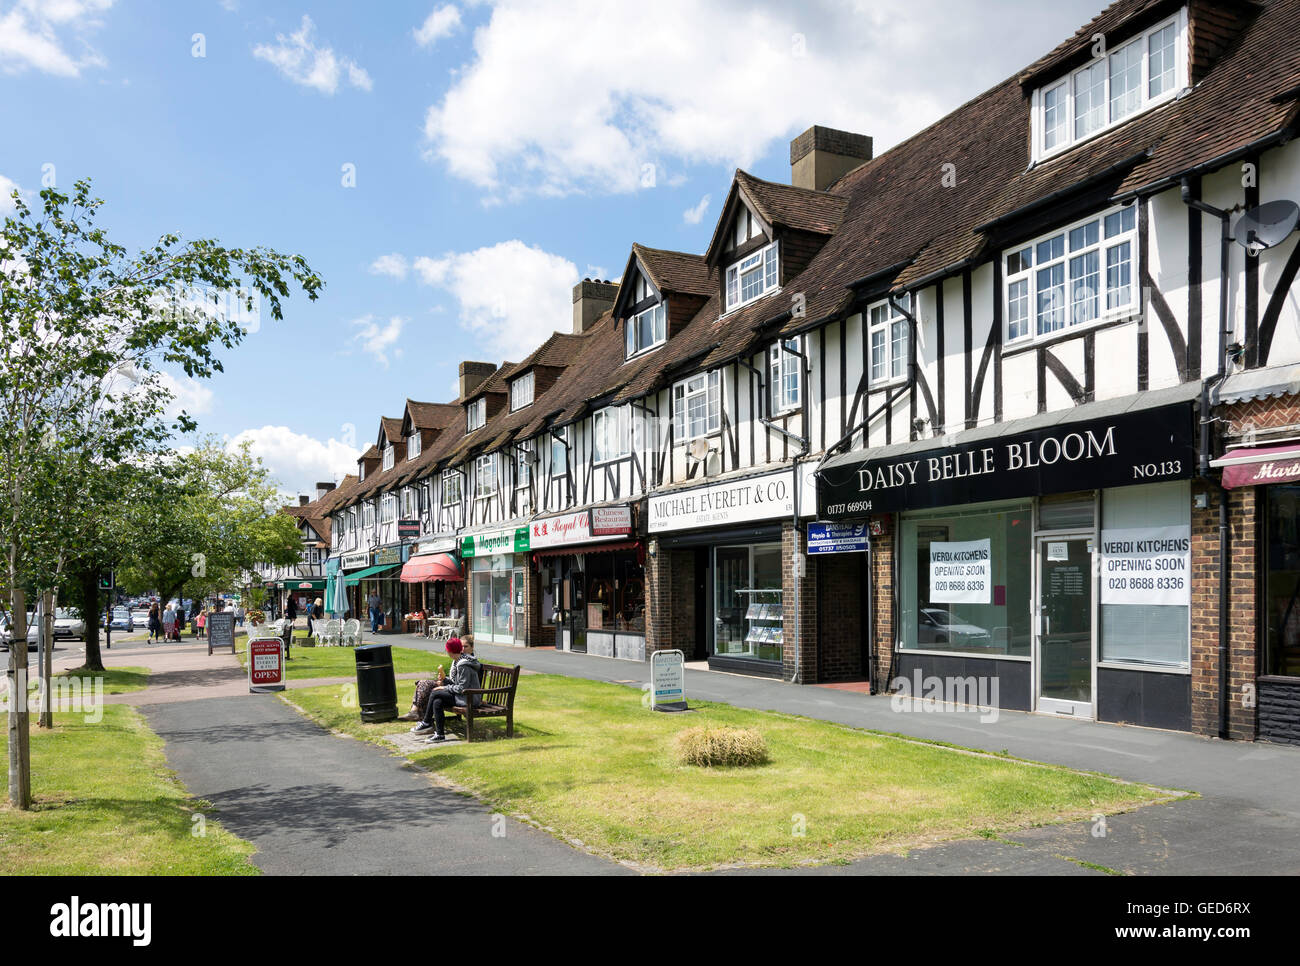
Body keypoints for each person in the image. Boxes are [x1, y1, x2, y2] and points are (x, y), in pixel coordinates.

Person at [409, 637, 481, 743]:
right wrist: (445, 679)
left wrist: (444, 687)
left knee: (435, 692)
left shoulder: (463, 665)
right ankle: (439, 734)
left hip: (469, 698)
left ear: (450, 651)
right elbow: (457, 683)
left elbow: (462, 688)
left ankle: (426, 722)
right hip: (463, 696)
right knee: (438, 701)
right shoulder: (458, 661)